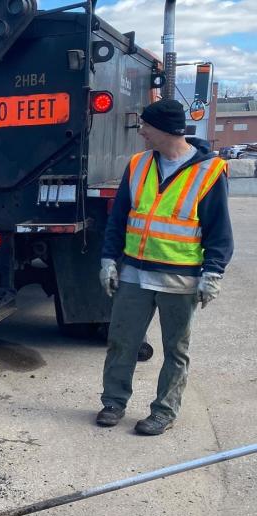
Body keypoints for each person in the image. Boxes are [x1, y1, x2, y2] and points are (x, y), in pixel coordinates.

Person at [96, 99, 233, 435]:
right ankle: (113, 402)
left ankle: (164, 411)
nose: (141, 132)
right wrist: (108, 259)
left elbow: (219, 230)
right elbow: (119, 219)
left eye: (146, 126)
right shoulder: (138, 165)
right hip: (135, 276)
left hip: (180, 278)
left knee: (176, 350)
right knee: (121, 342)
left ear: (167, 130)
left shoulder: (209, 171)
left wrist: (213, 273)